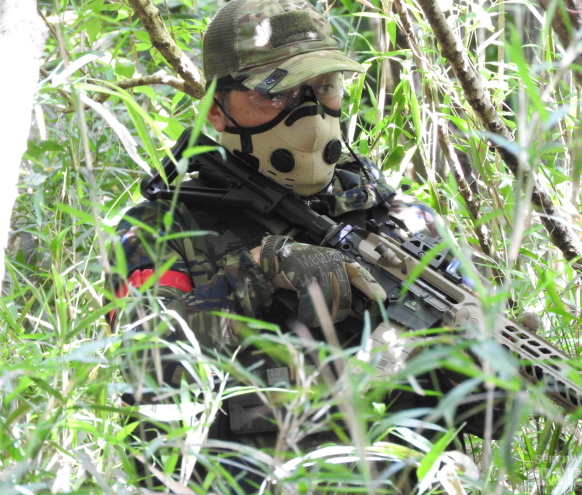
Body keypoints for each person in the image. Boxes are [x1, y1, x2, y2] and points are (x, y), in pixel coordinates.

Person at [109, 0, 508, 491]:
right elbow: (145, 364)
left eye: (325, 87)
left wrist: (485, 368)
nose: (311, 112)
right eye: (276, 92)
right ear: (217, 109)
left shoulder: (407, 223)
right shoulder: (163, 227)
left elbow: (488, 423)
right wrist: (258, 274)